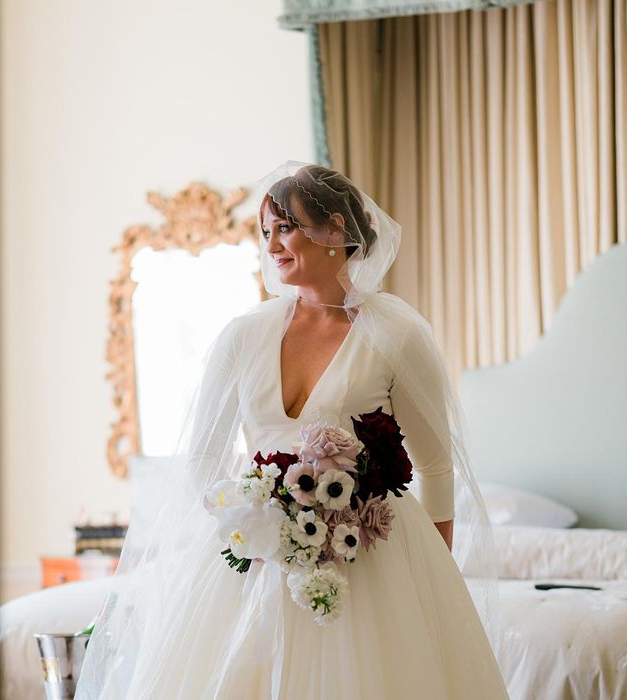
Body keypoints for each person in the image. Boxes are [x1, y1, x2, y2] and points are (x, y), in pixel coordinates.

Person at [75, 161, 509, 699]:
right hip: (254, 556)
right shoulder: (243, 335)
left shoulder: (394, 335)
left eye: (286, 227)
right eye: (266, 232)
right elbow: (204, 462)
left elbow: (436, 466)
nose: (273, 244)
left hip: (367, 554)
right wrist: (247, 523)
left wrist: (433, 583)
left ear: (334, 231)